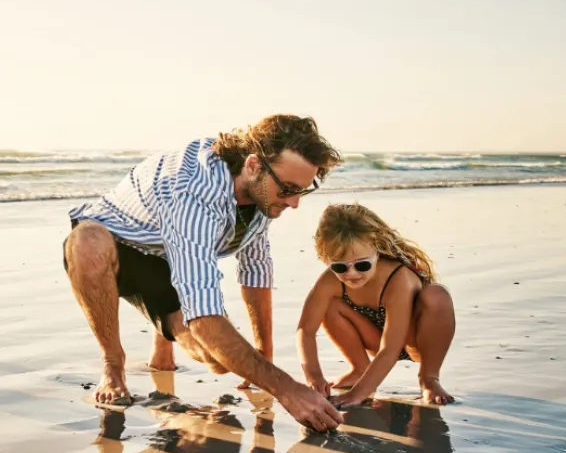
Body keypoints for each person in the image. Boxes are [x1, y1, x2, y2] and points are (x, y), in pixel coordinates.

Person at [63, 114, 344, 432]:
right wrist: (286, 389)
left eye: (302, 192)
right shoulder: (193, 192)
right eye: (288, 190)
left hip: (166, 257)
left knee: (217, 359)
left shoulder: (265, 193)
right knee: (88, 241)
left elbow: (255, 269)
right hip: (113, 241)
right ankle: (113, 363)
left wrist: (263, 357)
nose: (293, 203)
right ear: (253, 166)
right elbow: (205, 317)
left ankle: (162, 346)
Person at [296, 202, 456, 406]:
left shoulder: (398, 278)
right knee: (328, 303)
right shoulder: (330, 280)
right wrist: (314, 377)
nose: (351, 274)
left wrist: (357, 395)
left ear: (377, 250)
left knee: (437, 295)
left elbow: (390, 348)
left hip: (414, 340)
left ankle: (429, 378)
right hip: (375, 338)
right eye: (339, 266)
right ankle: (359, 368)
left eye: (362, 265)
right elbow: (305, 330)